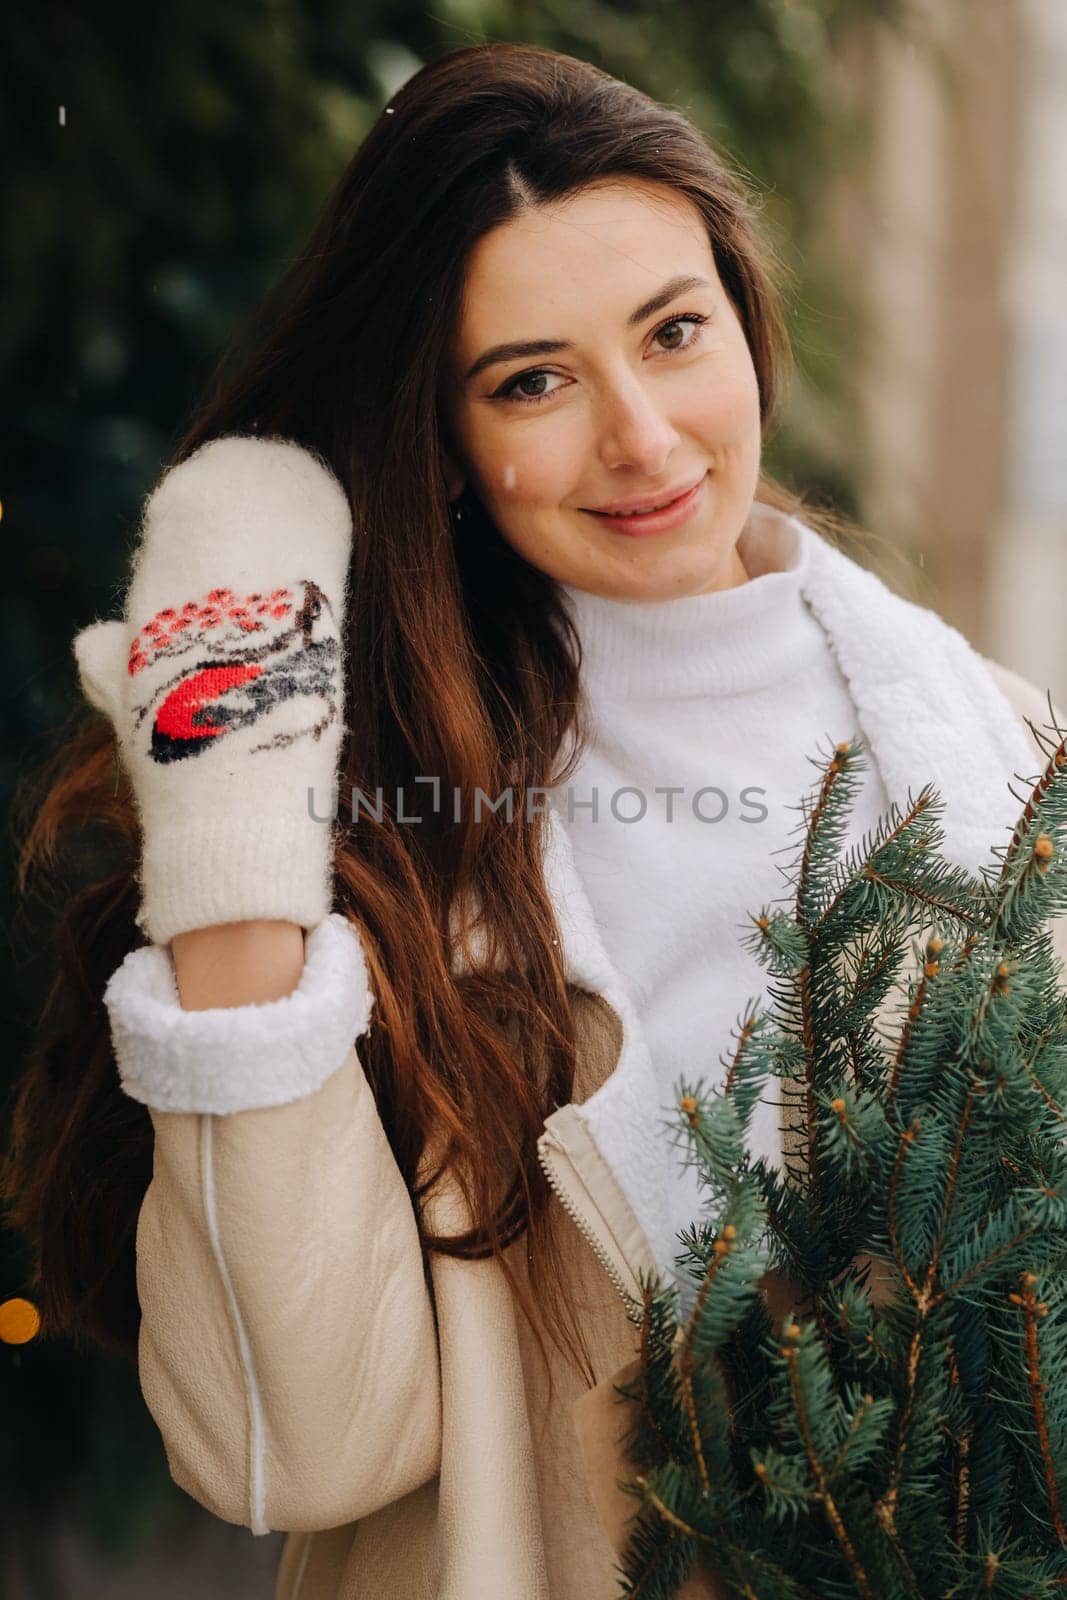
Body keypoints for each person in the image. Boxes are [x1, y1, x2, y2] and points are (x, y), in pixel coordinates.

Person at [6, 39, 1065, 1600]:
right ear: (441, 440)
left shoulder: (1009, 765)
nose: (640, 436)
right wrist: (235, 835)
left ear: (746, 330)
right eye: (534, 381)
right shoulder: (388, 843)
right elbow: (282, 1449)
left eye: (673, 333)